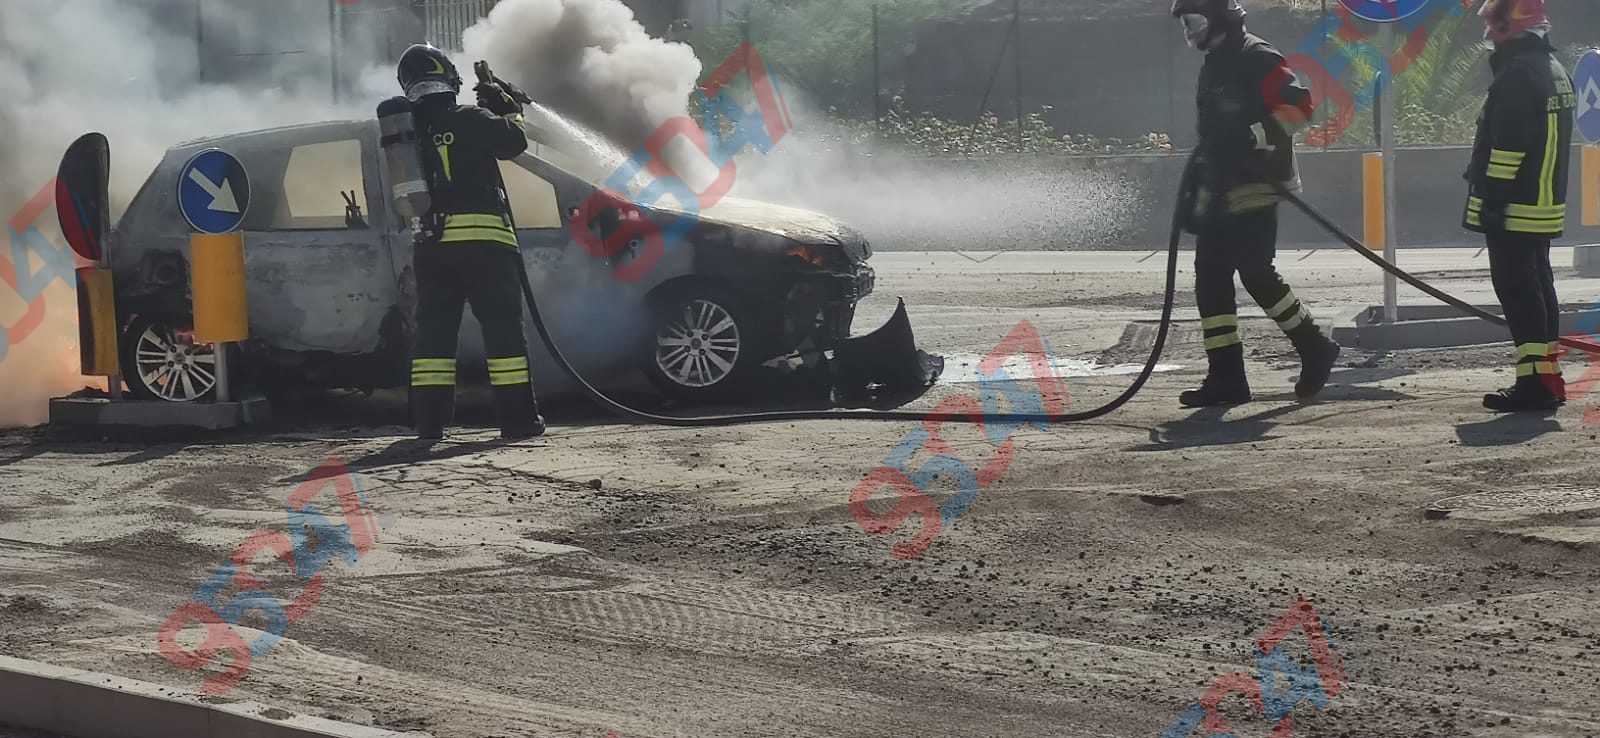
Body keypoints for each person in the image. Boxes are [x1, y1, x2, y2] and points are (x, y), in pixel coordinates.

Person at [1170, 0, 1341, 408]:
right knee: (1210, 280)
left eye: (1194, 21)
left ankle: (1315, 347)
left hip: (1256, 186)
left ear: (1219, 17)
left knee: (1255, 273)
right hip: (1220, 188)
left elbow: (1301, 109)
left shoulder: (1257, 58)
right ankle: (1227, 378)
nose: (1190, 32)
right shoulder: (1214, 63)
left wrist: (1251, 136)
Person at [396, 43, 546, 440]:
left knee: (434, 336)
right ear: (447, 78)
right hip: (485, 246)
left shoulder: (405, 134)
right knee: (503, 335)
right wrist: (507, 106)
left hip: (431, 246)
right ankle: (518, 421)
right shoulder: (470, 117)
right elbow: (513, 142)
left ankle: (429, 425)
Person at [1464, 0, 1574, 412]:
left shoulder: (1518, 74)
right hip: (1542, 202)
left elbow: (1508, 147)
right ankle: (1548, 379)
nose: (1490, 32)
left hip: (1515, 204)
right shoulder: (1551, 70)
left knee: (1517, 288)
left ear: (1516, 25)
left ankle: (1534, 386)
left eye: (1496, 23)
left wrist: (1492, 200)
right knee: (1539, 285)